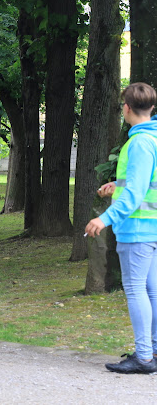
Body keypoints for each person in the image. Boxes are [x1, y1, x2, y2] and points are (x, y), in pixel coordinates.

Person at [85, 82, 157, 374]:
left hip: (137, 230)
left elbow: (136, 193)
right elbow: (145, 184)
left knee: (136, 289)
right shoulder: (151, 139)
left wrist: (104, 219)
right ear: (151, 108)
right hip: (152, 225)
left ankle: (143, 357)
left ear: (126, 109)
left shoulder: (138, 143)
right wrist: (118, 184)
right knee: (152, 290)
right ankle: (152, 349)